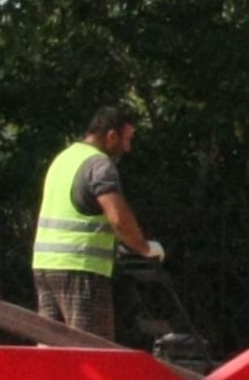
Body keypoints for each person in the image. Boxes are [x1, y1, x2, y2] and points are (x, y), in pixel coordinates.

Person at [33, 105, 156, 342]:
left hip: (45, 265)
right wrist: (145, 248)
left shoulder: (64, 158)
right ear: (111, 136)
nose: (128, 148)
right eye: (127, 139)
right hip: (81, 267)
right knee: (91, 350)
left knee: (52, 350)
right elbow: (119, 218)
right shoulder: (99, 164)